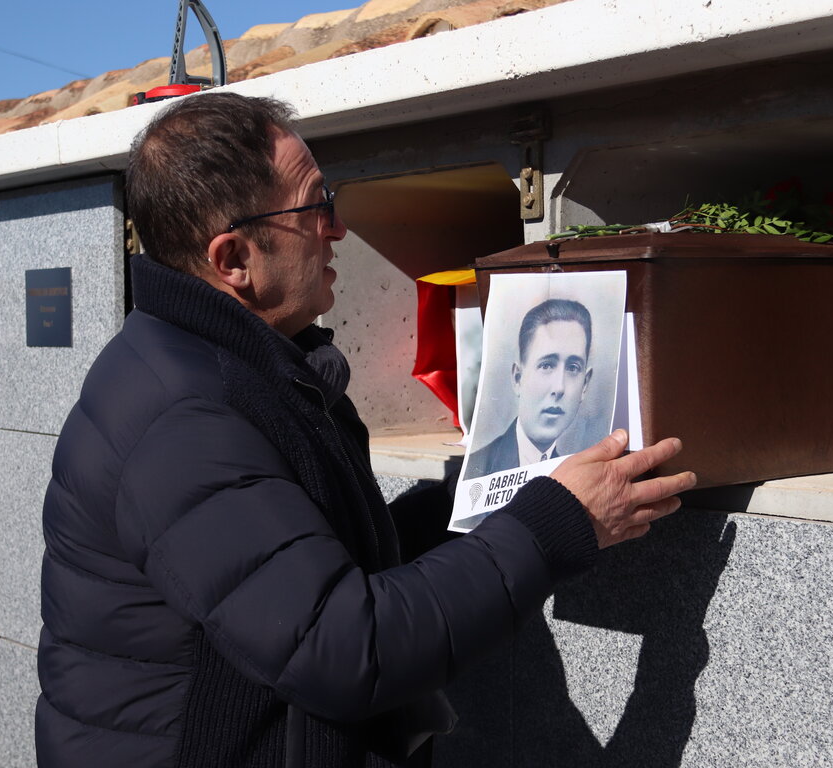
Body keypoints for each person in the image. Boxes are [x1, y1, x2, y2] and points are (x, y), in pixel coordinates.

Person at [34, 92, 696, 768]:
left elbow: (304, 569)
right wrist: (557, 525)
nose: (339, 228)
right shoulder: (181, 420)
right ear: (234, 260)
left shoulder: (239, 363)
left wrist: (481, 494)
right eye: (314, 205)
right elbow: (342, 645)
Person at [463, 299, 593, 479]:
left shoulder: (580, 474)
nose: (559, 387)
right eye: (547, 366)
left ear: (585, 384)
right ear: (518, 378)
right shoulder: (478, 468)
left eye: (572, 368)